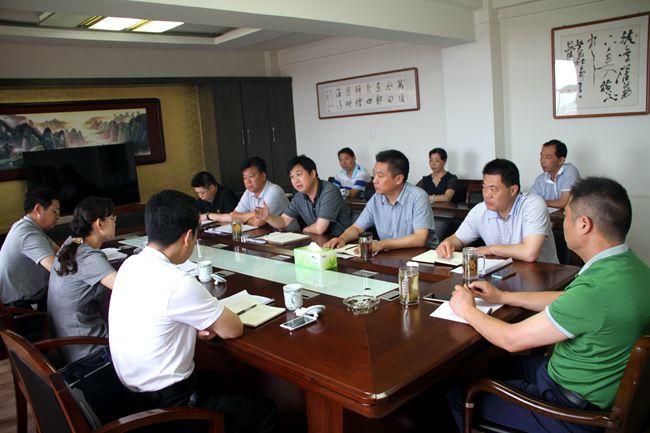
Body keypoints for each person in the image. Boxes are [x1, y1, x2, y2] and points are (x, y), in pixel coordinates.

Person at [447, 177, 650, 433]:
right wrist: (502, 297)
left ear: (584, 224)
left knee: (459, 395)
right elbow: (569, 302)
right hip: (595, 382)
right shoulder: (634, 269)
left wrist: (467, 309)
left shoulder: (594, 291)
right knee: (499, 365)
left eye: (566, 215)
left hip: (571, 409)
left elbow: (512, 340)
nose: (562, 221)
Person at [108, 190, 276, 433]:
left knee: (218, 380)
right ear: (188, 237)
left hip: (132, 396)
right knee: (265, 411)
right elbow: (233, 329)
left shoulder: (130, 264)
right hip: (169, 408)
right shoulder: (177, 282)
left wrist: (191, 325)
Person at [436, 158, 558, 263]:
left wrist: (490, 249)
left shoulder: (533, 205)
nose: (487, 195)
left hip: (542, 275)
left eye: (493, 189)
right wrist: (448, 244)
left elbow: (530, 253)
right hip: (502, 273)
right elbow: (458, 239)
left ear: (513, 190)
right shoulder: (480, 210)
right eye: (484, 188)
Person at [324, 150, 438, 253]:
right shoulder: (376, 198)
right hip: (391, 256)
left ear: (398, 179)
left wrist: (382, 244)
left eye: (380, 176)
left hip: (420, 258)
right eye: (374, 175)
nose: (374, 181)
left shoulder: (418, 197)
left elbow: (420, 238)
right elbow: (357, 228)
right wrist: (342, 239)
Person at [47, 197, 117, 362]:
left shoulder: (70, 244)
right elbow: (129, 289)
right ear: (99, 224)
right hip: (89, 353)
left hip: (68, 342)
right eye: (113, 218)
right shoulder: (88, 257)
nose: (115, 222)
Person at [258, 155, 352, 236]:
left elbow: (319, 229)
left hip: (343, 243)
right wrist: (268, 217)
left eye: (299, 174)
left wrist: (304, 230)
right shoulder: (299, 196)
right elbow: (283, 221)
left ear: (313, 173)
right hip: (319, 243)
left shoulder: (329, 191)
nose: (295, 180)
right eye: (292, 177)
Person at [0, 188, 60, 309]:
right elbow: (58, 268)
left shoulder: (30, 228)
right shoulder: (27, 233)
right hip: (22, 307)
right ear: (38, 209)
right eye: (55, 211)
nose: (58, 216)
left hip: (34, 298)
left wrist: (79, 242)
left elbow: (61, 251)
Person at [207, 157, 298, 231]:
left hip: (290, 236)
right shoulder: (248, 192)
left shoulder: (274, 191)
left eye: (251, 176)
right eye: (245, 178)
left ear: (263, 176)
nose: (248, 181)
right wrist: (253, 214)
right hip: (266, 235)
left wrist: (244, 219)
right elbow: (234, 216)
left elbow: (258, 222)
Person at [530, 139, 581, 209]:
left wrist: (540, 202)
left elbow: (564, 203)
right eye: (541, 155)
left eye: (547, 157)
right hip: (549, 215)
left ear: (561, 160)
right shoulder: (540, 179)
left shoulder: (570, 171)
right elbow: (531, 201)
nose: (542, 160)